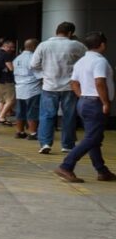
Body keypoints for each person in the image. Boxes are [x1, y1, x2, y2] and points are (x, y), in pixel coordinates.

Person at [54, 31, 115, 183]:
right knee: (92, 138)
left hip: (84, 101)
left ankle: (102, 170)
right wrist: (106, 102)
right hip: (95, 102)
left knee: (94, 137)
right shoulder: (100, 61)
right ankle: (66, 166)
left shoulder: (81, 61)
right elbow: (99, 82)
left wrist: (82, 95)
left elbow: (73, 82)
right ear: (102, 45)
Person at [32, 21, 87, 154]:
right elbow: (87, 60)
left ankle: (45, 143)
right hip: (70, 87)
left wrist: (43, 75)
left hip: (49, 86)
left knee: (46, 115)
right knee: (69, 116)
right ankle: (67, 145)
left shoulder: (43, 45)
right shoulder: (76, 45)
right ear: (70, 33)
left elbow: (34, 64)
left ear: (56, 31)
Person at [13, 38, 42, 139]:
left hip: (19, 89)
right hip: (32, 89)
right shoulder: (33, 58)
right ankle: (33, 133)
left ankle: (19, 132)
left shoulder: (17, 59)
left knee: (20, 111)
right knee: (32, 111)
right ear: (34, 47)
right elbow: (39, 74)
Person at [0, 39, 17, 125]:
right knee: (11, 100)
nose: (12, 49)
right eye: (10, 47)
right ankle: (1, 116)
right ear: (5, 46)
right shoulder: (6, 55)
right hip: (7, 80)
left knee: (1, 101)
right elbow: (11, 68)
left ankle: (3, 119)